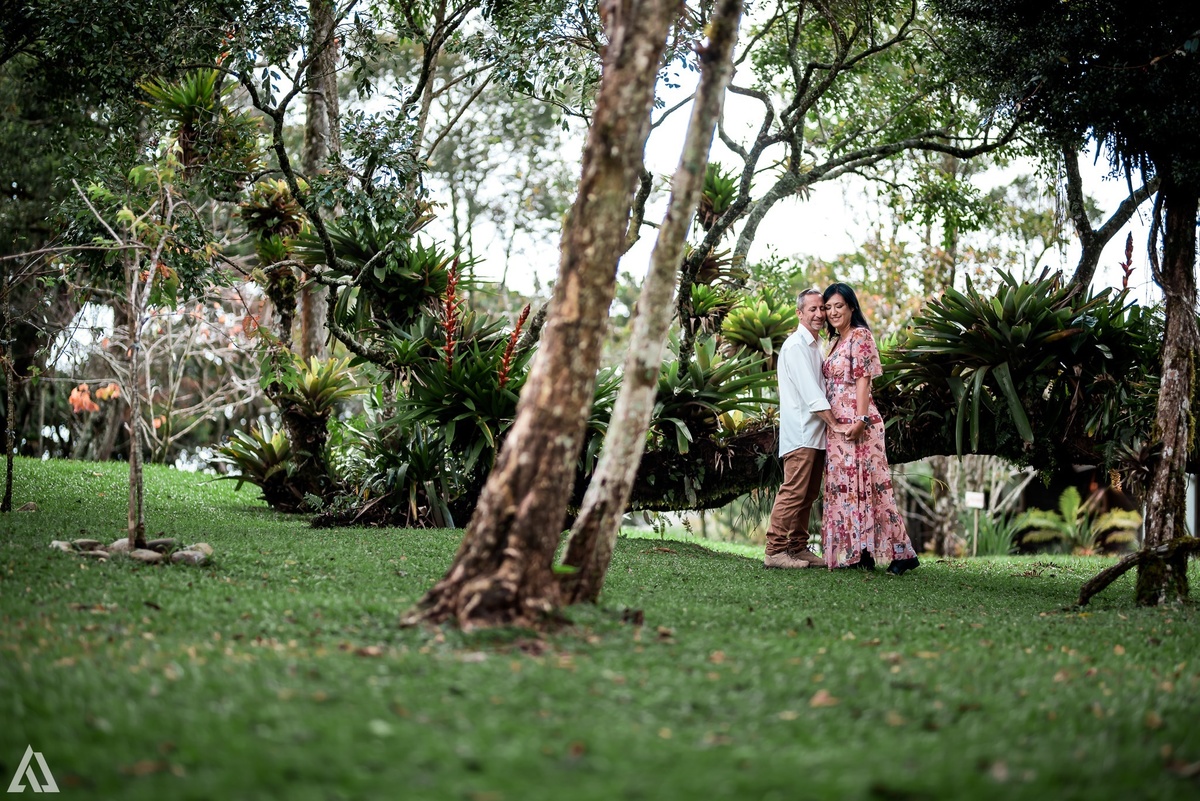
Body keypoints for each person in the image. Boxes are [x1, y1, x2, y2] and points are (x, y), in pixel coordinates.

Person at [820, 282, 919, 575]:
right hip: (838, 427)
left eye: (839, 306)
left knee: (873, 488)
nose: (833, 312)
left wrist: (861, 420)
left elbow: (863, 380)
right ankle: (860, 553)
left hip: (859, 423)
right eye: (828, 307)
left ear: (852, 307)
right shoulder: (835, 341)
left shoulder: (860, 335)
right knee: (849, 489)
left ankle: (903, 554)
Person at [764, 289, 840, 569]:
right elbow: (812, 395)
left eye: (822, 308)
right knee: (793, 491)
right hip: (802, 433)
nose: (820, 314)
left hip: (816, 434)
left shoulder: (815, 345)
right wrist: (837, 425)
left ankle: (797, 547)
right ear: (799, 313)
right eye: (812, 309)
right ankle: (774, 551)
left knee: (808, 495)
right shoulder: (796, 346)